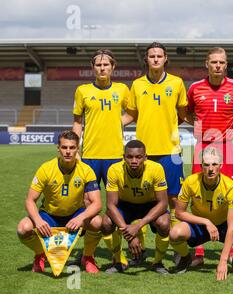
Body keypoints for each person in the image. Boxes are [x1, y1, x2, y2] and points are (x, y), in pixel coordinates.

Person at [123, 41, 188, 264]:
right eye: (152, 56)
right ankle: (137, 249)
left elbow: (181, 114)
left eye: (159, 56)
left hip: (171, 152)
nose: (156, 59)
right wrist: (110, 125)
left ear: (166, 58)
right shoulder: (137, 85)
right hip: (144, 154)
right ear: (146, 60)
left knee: (174, 200)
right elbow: (131, 114)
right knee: (139, 200)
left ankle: (179, 247)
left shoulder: (177, 83)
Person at [185, 47, 233, 266]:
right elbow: (187, 112)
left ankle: (232, 248)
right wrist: (198, 126)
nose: (218, 65)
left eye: (221, 62)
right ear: (206, 64)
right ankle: (198, 250)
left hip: (227, 148)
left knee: (230, 193)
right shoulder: (195, 88)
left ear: (226, 65)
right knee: (196, 192)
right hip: (202, 146)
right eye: (214, 62)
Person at [72, 49, 130, 269]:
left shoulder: (122, 89)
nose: (102, 68)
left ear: (113, 67)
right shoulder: (83, 91)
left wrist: (117, 123)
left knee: (115, 207)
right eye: (98, 65)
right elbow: (78, 122)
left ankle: (117, 255)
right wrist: (75, 148)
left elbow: (133, 112)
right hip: (90, 157)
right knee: (89, 206)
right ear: (93, 68)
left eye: (106, 65)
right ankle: (89, 255)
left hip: (115, 157)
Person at [17, 131, 103, 273]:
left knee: (97, 222)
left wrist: (81, 218)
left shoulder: (86, 170)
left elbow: (97, 203)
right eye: (64, 147)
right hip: (50, 215)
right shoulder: (46, 169)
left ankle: (87, 257)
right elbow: (30, 200)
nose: (68, 151)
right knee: (23, 228)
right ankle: (40, 254)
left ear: (77, 149)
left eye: (72, 147)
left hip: (75, 214)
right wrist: (38, 221)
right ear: (58, 148)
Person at [169, 147, 233, 280]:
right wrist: (206, 222)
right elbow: (179, 213)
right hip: (200, 226)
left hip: (223, 225)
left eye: (214, 164)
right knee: (175, 233)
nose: (210, 168)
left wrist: (223, 261)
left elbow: (232, 226)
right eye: (206, 164)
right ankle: (186, 258)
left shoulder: (231, 186)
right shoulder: (190, 182)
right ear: (201, 166)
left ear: (221, 165)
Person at [102, 140, 171, 274]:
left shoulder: (156, 169)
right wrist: (131, 237)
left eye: (138, 157)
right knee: (106, 223)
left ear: (145, 157)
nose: (134, 161)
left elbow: (163, 203)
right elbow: (111, 205)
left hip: (149, 205)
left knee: (164, 223)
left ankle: (157, 262)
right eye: (130, 157)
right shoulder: (114, 170)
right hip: (125, 205)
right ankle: (119, 261)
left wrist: (138, 225)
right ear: (124, 157)